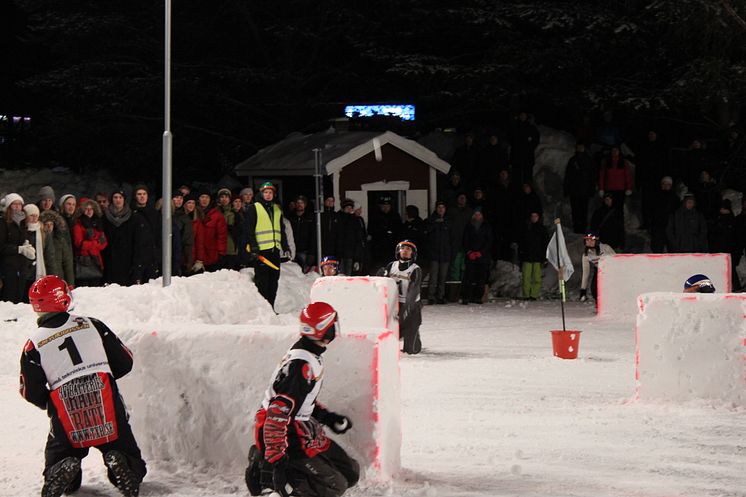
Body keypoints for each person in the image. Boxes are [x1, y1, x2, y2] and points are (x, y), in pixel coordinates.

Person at [20, 275, 146, 497]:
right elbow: (125, 361)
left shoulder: (33, 345)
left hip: (66, 412)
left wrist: (52, 402)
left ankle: (63, 466)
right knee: (124, 448)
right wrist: (103, 376)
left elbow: (30, 391)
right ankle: (123, 464)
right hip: (105, 401)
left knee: (60, 456)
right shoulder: (91, 324)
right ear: (64, 300)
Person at [245, 301, 359, 497]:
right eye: (333, 325)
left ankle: (274, 462)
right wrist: (275, 458)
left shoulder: (309, 353)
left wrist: (327, 417)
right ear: (325, 329)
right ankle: (267, 469)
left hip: (297, 426)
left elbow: (301, 401)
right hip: (285, 435)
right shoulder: (301, 366)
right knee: (335, 486)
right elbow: (276, 413)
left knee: (350, 471)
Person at [246, 182, 290, 309]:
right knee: (262, 282)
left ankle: (271, 307)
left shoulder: (277, 209)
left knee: (273, 281)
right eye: (266, 192)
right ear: (261, 194)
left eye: (270, 192)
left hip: (274, 250)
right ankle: (263, 309)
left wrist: (285, 246)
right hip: (261, 252)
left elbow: (281, 229)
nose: (268, 195)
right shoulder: (254, 208)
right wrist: (254, 247)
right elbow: (249, 229)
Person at [377, 240, 423, 354]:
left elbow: (414, 291)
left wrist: (406, 309)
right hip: (394, 302)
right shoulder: (391, 265)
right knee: (393, 333)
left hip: (411, 305)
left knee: (411, 350)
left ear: (413, 253)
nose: (405, 251)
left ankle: (414, 333)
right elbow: (381, 284)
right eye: (403, 248)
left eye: (408, 249)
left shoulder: (415, 269)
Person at [1, 193, 35, 303]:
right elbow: (1, 246)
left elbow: (25, 239)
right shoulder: (3, 222)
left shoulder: (23, 222)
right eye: (14, 204)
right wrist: (18, 249)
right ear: (9, 206)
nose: (17, 207)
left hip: (22, 266)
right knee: (9, 297)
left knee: (20, 296)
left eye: (19, 204)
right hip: (8, 267)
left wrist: (28, 247)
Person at [460, 208, 492, 305]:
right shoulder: (468, 226)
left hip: (483, 257)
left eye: (479, 214)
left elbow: (489, 241)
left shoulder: (486, 226)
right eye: (476, 214)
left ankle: (478, 297)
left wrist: (481, 252)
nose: (477, 216)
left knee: (481, 278)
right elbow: (465, 240)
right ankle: (466, 297)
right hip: (471, 256)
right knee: (468, 277)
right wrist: (469, 252)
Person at [563, 143, 596, 234]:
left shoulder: (588, 160)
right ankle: (576, 228)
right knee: (575, 210)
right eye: (579, 147)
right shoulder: (573, 160)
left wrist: (591, 189)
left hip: (584, 191)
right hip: (574, 190)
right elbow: (568, 176)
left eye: (582, 147)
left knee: (583, 210)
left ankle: (582, 228)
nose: (580, 148)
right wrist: (566, 189)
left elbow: (592, 176)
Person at [425, 200, 451, 305]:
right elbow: (427, 236)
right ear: (436, 209)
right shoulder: (430, 220)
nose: (441, 209)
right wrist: (435, 224)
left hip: (445, 253)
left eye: (443, 207)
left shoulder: (449, 221)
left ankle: (440, 296)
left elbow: (453, 238)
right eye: (439, 207)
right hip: (434, 253)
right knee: (434, 276)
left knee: (443, 276)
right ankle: (431, 296)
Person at [519, 211, 548, 300]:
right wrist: (521, 255)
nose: (534, 218)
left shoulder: (542, 229)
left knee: (537, 278)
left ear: (539, 217)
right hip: (527, 257)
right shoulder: (525, 228)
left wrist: (545, 257)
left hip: (538, 258)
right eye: (532, 216)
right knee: (526, 278)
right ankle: (526, 295)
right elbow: (521, 243)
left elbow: (545, 244)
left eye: (535, 216)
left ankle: (534, 295)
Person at [579, 232, 616, 302]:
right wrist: (583, 289)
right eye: (587, 240)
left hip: (611, 270)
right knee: (594, 290)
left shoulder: (605, 248)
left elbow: (617, 260)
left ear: (596, 241)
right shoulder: (586, 255)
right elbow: (586, 273)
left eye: (592, 240)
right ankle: (600, 305)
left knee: (609, 288)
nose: (589, 242)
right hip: (599, 270)